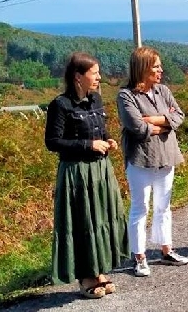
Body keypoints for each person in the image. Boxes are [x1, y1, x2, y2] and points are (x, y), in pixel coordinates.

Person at [44, 52, 129, 299]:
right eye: (94, 73)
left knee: (102, 218)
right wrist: (88, 145)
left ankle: (100, 270)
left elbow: (99, 132)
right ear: (78, 76)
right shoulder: (61, 105)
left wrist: (106, 141)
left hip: (100, 170)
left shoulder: (96, 100)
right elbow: (53, 142)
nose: (99, 77)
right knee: (83, 221)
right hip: (77, 173)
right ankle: (85, 277)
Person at [117, 46, 188, 277]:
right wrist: (165, 124)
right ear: (143, 68)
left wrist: (154, 120)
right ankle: (139, 257)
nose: (160, 70)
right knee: (141, 208)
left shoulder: (163, 91)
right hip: (140, 159)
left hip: (166, 158)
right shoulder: (126, 95)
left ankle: (166, 250)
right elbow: (136, 127)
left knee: (163, 207)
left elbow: (179, 116)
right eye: (156, 66)